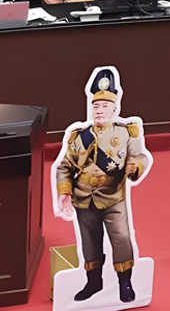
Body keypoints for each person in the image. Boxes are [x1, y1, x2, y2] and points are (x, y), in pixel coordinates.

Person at [56, 69, 149, 303]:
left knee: (121, 238)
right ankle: (93, 281)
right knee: (89, 241)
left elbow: (139, 156)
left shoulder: (126, 133)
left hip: (113, 196)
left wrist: (135, 167)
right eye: (95, 106)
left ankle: (125, 282)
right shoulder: (79, 136)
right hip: (83, 197)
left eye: (104, 106)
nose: (99, 110)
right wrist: (64, 192)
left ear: (115, 108)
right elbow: (65, 166)